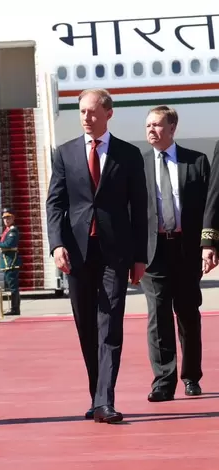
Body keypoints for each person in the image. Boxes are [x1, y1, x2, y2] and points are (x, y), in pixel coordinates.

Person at [45, 88, 147, 424]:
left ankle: (105, 400)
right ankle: (95, 394)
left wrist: (139, 257)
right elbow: (55, 203)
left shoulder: (129, 155)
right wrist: (57, 245)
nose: (86, 118)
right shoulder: (65, 153)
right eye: (82, 112)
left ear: (108, 114)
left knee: (110, 324)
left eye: (92, 112)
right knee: (86, 326)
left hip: (115, 254)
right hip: (76, 253)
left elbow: (139, 209)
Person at [137, 106, 209, 401]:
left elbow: (210, 208)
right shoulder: (138, 166)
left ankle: (191, 376)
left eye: (156, 125)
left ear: (172, 128)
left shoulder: (197, 162)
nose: (151, 131)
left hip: (186, 249)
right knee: (158, 316)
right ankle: (163, 382)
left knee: (189, 314)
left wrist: (209, 245)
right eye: (148, 126)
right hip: (154, 252)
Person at [0, 208, 21, 316]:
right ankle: (14, 308)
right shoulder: (7, 230)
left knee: (13, 288)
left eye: (8, 218)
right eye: (4, 218)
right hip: (7, 261)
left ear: (13, 218)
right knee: (12, 286)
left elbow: (8, 244)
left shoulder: (12, 230)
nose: (6, 220)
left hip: (11, 261)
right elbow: (4, 241)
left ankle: (15, 309)